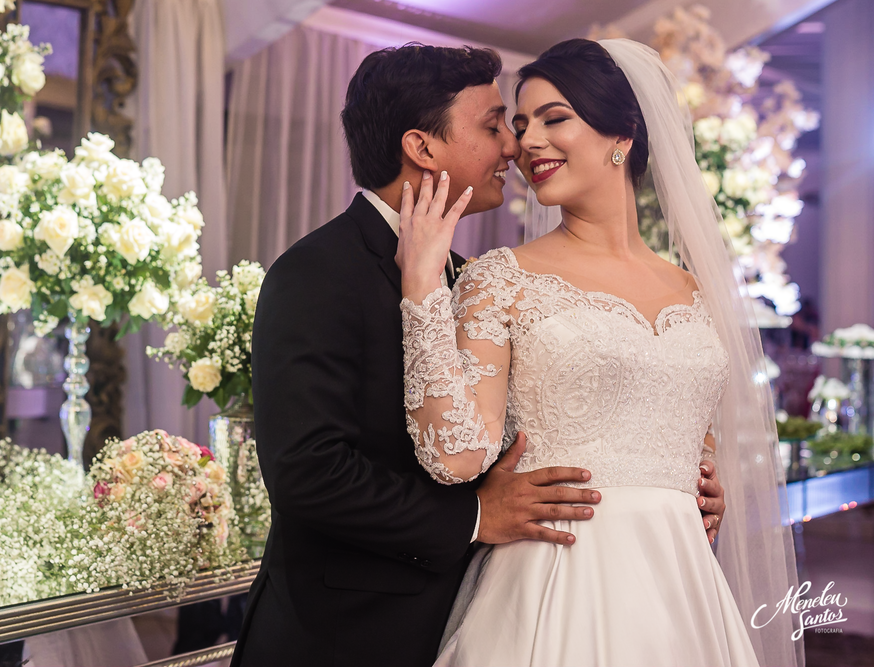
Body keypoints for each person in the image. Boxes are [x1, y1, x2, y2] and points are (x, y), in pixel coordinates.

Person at [230, 43, 726, 667]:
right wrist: (472, 515)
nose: (516, 148)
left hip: (562, 596)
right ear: (423, 147)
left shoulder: (472, 277)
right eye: (500, 127)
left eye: (538, 122)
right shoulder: (315, 272)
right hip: (341, 634)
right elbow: (308, 472)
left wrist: (678, 480)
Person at [397, 38, 800, 667]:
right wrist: (422, 287)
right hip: (560, 577)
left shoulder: (691, 288)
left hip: (680, 580)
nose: (527, 143)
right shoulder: (499, 279)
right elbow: (454, 456)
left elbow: (689, 430)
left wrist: (701, 479)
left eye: (555, 119)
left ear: (624, 136)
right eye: (521, 125)